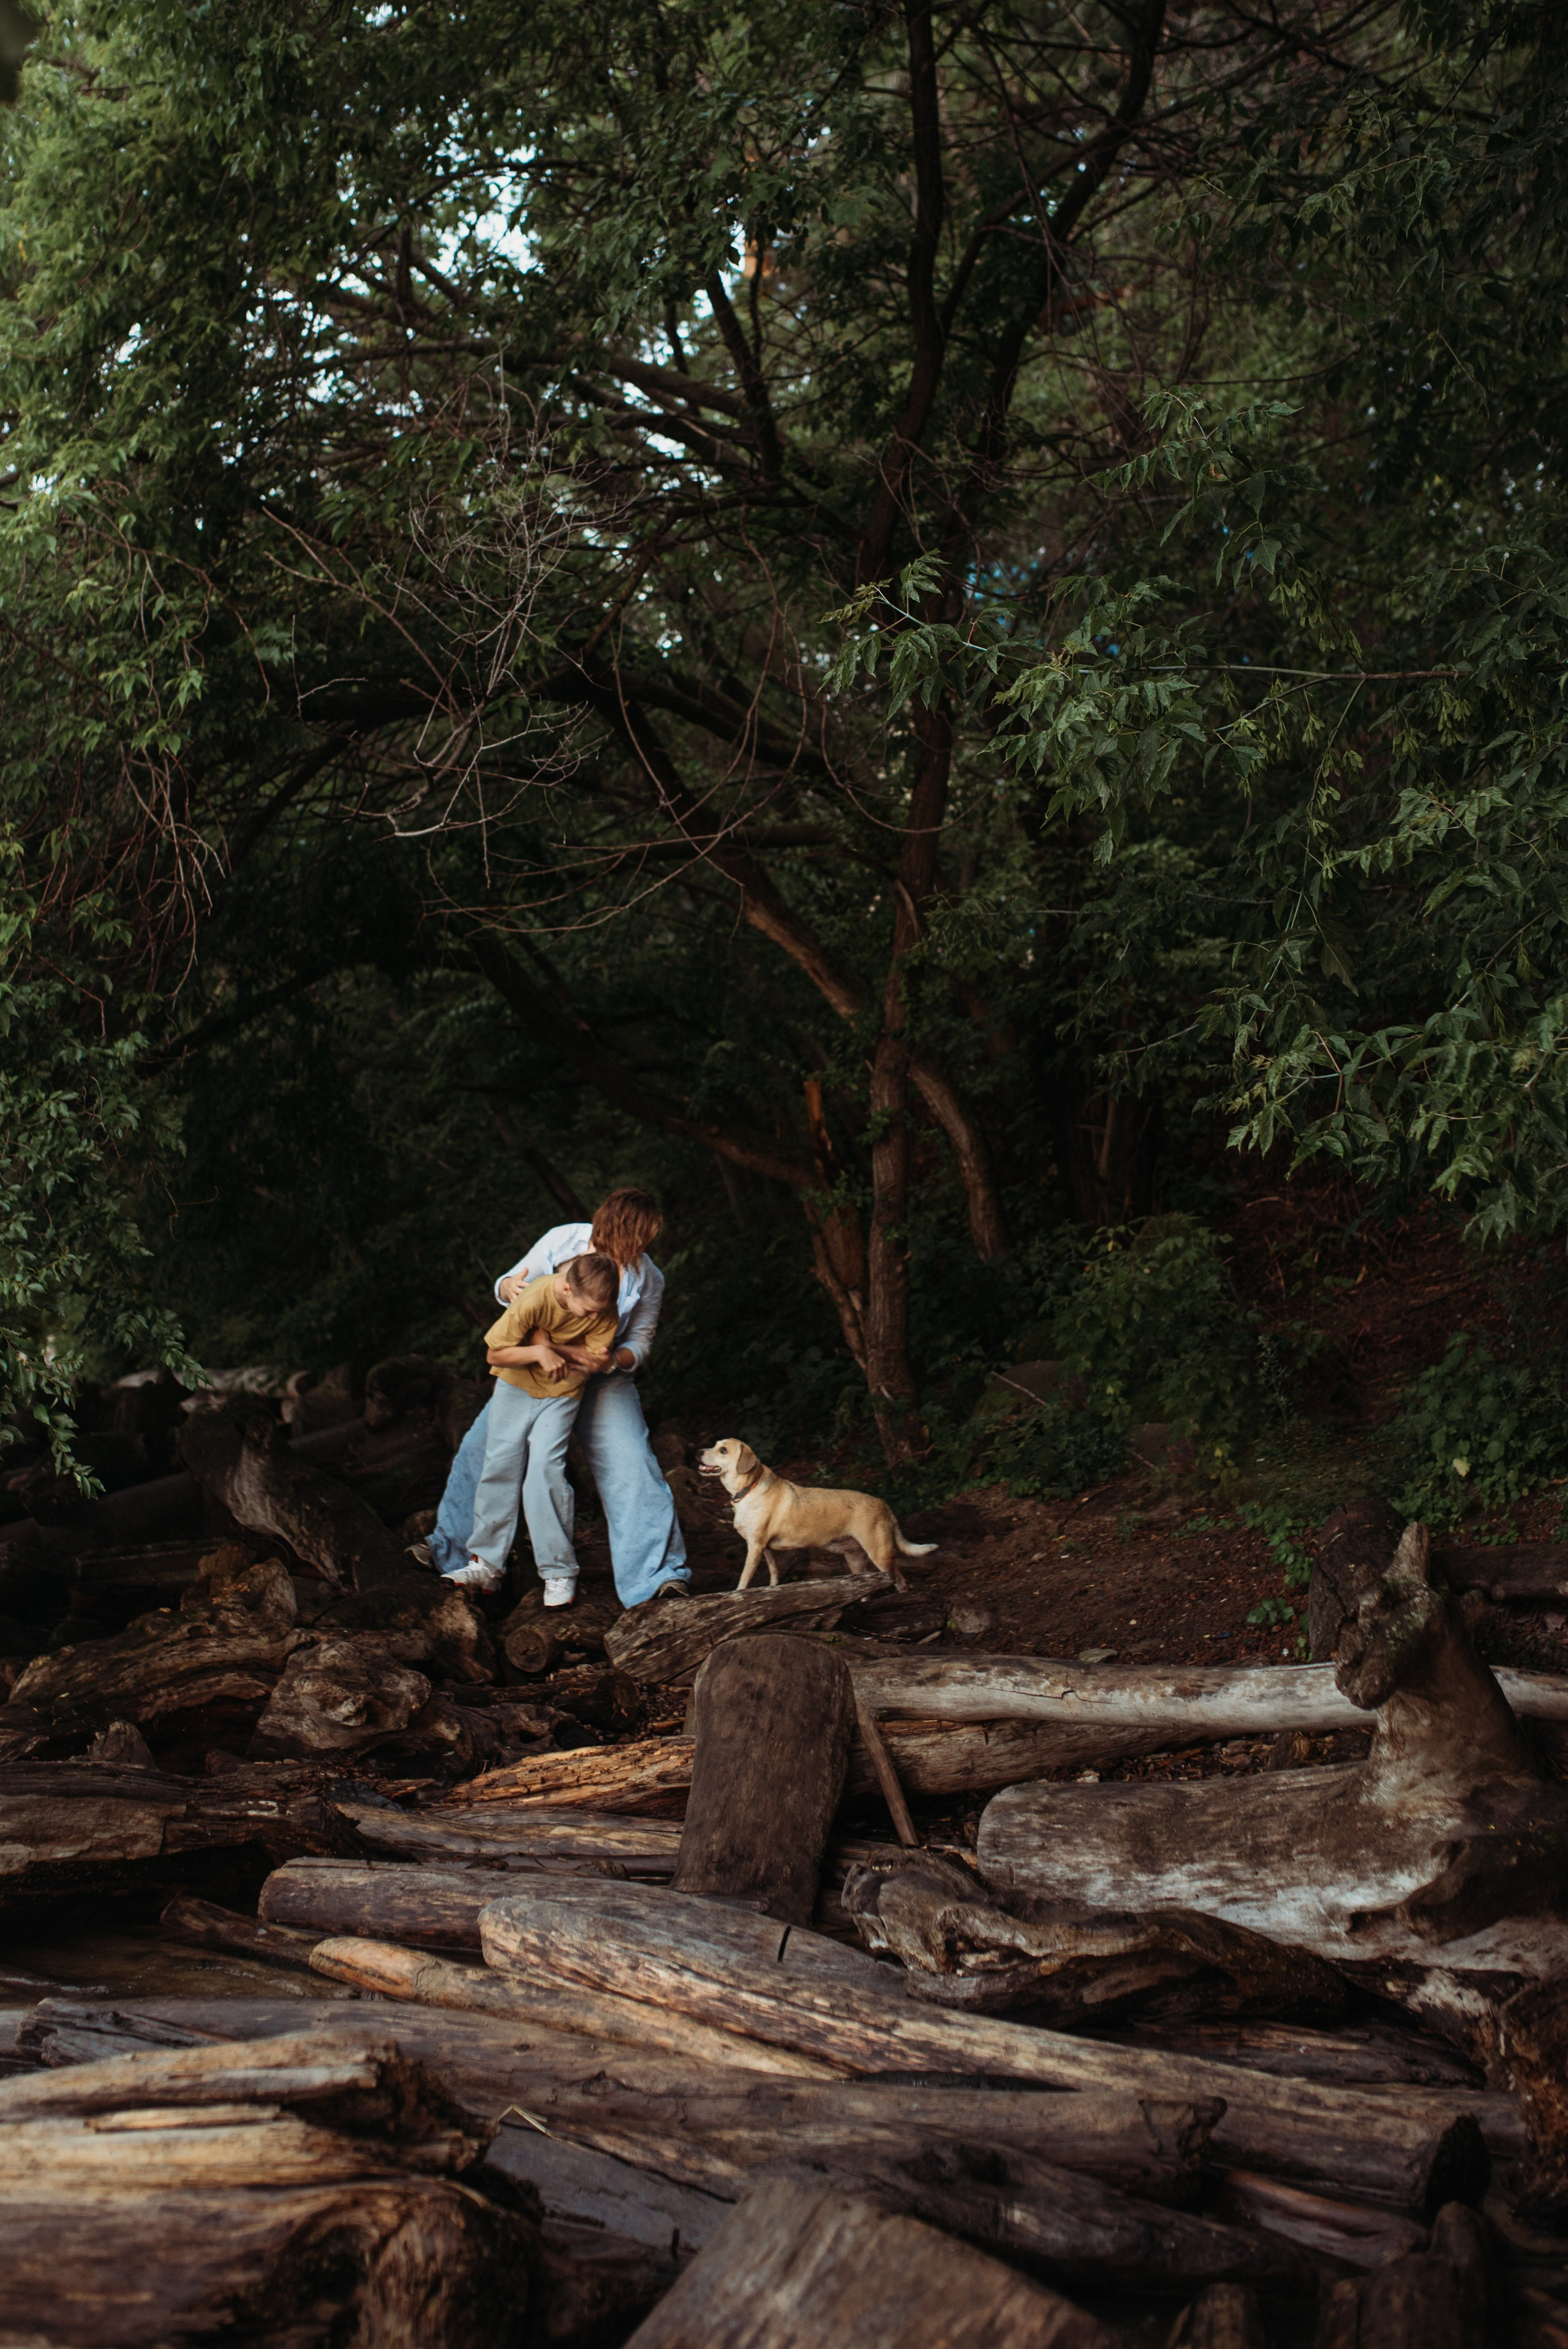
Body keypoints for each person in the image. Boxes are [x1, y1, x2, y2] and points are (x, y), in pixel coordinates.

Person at [421, 1186, 691, 1608]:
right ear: (607, 1225)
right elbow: (511, 1287)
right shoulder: (563, 1239)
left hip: (601, 1377)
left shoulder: (648, 1277)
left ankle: (656, 1578)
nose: (638, 1247)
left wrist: (612, 1360)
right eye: (633, 1237)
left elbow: (642, 1340)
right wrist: (515, 1294)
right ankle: (451, 1553)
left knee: (631, 1460)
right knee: (485, 1448)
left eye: (644, 1241)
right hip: (534, 1366)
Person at [448, 1251, 620, 1602]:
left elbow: (595, 1362)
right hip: (515, 1387)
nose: (594, 1317)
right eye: (588, 1311)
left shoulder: (605, 1307)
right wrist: (537, 1353)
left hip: (563, 1393)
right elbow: (495, 1353)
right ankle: (487, 1565)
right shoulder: (536, 1297)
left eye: (600, 1312)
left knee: (545, 1469)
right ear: (568, 1289)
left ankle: (558, 1572)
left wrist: (546, 1343)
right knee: (500, 1465)